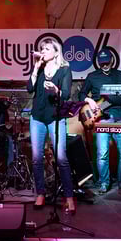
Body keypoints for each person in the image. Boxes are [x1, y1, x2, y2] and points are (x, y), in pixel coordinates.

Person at [27, 38, 75, 214]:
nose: (43, 51)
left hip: (55, 117)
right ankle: (40, 193)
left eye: (47, 49)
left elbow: (66, 95)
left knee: (61, 158)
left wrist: (56, 89)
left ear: (56, 52)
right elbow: (29, 89)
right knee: (36, 158)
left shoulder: (64, 70)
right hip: (37, 117)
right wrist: (35, 68)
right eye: (42, 49)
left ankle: (69, 197)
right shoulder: (39, 69)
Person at [78, 48, 121, 195]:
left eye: (107, 62)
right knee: (102, 154)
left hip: (120, 117)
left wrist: (117, 98)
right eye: (102, 63)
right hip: (101, 118)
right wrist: (89, 100)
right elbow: (81, 94)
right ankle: (104, 183)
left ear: (112, 60)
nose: (105, 65)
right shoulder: (92, 77)